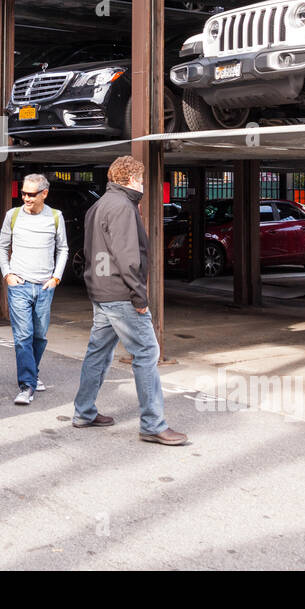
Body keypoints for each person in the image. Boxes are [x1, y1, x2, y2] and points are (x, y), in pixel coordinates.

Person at [72, 156, 187, 446]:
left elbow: (88, 251)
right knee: (147, 353)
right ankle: (153, 424)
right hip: (121, 293)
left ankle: (84, 412)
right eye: (141, 179)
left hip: (101, 291)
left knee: (98, 352)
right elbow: (128, 257)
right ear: (132, 179)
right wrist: (139, 295)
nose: (143, 185)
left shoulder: (98, 206)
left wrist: (93, 286)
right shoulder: (123, 207)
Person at [0, 173, 68, 405]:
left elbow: (63, 249)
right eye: (23, 193)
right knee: (23, 336)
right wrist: (7, 274)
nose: (26, 198)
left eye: (31, 194)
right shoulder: (13, 215)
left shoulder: (56, 217)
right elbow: (1, 246)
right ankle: (26, 385)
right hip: (19, 286)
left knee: (39, 336)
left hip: (45, 287)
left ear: (44, 194)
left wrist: (56, 278)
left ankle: (32, 374)